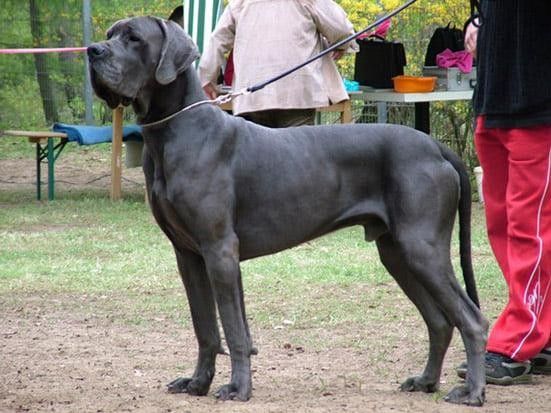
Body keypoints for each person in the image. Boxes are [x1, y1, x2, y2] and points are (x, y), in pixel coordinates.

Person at [457, 0, 551, 384]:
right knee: (502, 226)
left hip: (539, 105)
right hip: (493, 98)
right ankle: (542, 329)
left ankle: (517, 339)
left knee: (531, 229)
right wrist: (477, 21)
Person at [198, 0, 358, 128]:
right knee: (297, 155)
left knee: (258, 156)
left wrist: (206, 78)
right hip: (297, 97)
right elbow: (341, 29)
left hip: (252, 98)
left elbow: (218, 40)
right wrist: (341, 45)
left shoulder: (240, 2)